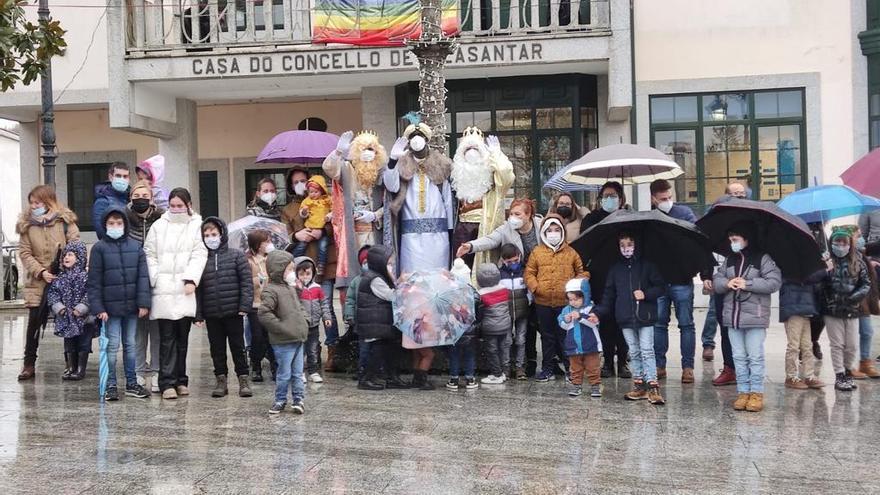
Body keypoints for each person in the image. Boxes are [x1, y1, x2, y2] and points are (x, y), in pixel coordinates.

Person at [458, 198, 541, 376]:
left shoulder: (541, 225)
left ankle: (532, 360)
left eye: (517, 214)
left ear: (529, 215)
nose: (513, 217)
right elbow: (490, 240)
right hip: (515, 282)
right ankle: (516, 365)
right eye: (511, 213)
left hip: (538, 280)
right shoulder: (507, 229)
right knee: (516, 327)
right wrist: (470, 246)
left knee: (533, 323)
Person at [144, 188, 208, 400]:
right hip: (163, 289)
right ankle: (167, 382)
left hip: (185, 289)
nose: (176, 209)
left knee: (183, 339)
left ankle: (181, 379)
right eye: (172, 205)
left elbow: (200, 253)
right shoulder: (158, 226)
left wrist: (191, 279)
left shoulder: (197, 226)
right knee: (166, 338)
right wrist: (156, 278)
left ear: (188, 205)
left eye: (180, 205)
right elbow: (149, 253)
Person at [589, 233, 666, 405]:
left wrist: (646, 294)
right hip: (625, 316)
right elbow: (608, 294)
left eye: (630, 244)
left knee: (647, 350)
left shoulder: (647, 266)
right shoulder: (615, 269)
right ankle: (639, 385)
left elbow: (660, 287)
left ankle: (653, 385)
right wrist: (598, 312)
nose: (626, 248)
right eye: (622, 245)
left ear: (636, 244)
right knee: (635, 351)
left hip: (644, 315)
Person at [714, 223, 782, 412]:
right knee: (738, 356)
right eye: (730, 240)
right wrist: (728, 283)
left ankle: (756, 393)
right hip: (733, 316)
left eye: (735, 240)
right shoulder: (729, 260)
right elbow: (717, 280)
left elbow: (773, 282)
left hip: (755, 316)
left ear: (746, 238)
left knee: (755, 356)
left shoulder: (763, 258)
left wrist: (748, 283)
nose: (732, 243)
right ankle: (743, 392)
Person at [87, 207, 152, 401]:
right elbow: (94, 282)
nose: (115, 227)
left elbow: (143, 277)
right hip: (110, 310)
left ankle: (132, 383)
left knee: (131, 344)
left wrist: (143, 303)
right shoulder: (99, 248)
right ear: (105, 225)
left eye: (119, 223)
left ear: (125, 225)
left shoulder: (135, 247)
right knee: (112, 346)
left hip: (131, 307)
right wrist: (98, 308)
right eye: (111, 223)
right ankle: (111, 384)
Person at [16, 185, 80, 381]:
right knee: (34, 322)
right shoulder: (27, 226)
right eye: (32, 202)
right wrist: (41, 271)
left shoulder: (66, 222)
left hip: (63, 278)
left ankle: (71, 361)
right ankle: (29, 363)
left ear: (49, 202)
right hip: (38, 280)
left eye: (38, 202)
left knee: (67, 318)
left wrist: (63, 267)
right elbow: (25, 253)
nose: (34, 206)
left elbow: (75, 247)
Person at [524, 214, 589, 382]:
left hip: (564, 303)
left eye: (557, 230)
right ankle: (547, 368)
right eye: (550, 230)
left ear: (562, 232)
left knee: (565, 336)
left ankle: (570, 368)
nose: (553, 233)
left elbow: (580, 270)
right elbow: (529, 272)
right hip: (543, 302)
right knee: (547, 336)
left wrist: (580, 281)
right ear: (544, 232)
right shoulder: (537, 252)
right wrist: (536, 287)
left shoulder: (571, 252)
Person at [648, 179, 702, 383]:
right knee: (659, 324)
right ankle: (659, 365)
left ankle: (688, 367)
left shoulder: (685, 214)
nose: (667, 202)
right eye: (663, 199)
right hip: (659, 281)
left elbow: (696, 242)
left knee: (686, 324)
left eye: (670, 198)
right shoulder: (650, 218)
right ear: (653, 199)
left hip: (681, 278)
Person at [195, 217, 254, 398]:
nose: (210, 238)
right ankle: (221, 380)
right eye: (206, 235)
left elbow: (246, 283)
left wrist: (245, 305)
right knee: (217, 348)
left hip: (233, 311)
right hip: (212, 312)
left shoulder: (236, 255)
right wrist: (198, 314)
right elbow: (198, 289)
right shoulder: (200, 259)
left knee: (238, 347)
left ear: (221, 234)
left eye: (213, 234)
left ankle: (243, 379)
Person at [384, 122, 454, 275]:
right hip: (411, 234)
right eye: (413, 137)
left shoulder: (441, 164)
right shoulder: (402, 163)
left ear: (426, 139)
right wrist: (392, 161)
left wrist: (450, 229)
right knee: (412, 276)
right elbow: (391, 186)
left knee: (438, 274)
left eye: (420, 136)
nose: (417, 139)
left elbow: (448, 199)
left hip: (438, 234)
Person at [323, 130, 386, 291]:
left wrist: (375, 215)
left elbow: (392, 201)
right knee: (356, 275)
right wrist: (338, 152)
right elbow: (329, 168)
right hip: (354, 234)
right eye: (363, 149)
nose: (367, 153)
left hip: (375, 232)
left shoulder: (382, 173)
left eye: (371, 149)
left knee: (378, 274)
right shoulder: (347, 169)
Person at [580, 181, 630, 378]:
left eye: (614, 196)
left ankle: (623, 361)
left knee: (623, 319)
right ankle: (608, 362)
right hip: (601, 276)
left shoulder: (628, 217)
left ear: (621, 198)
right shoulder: (592, 218)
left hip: (624, 275)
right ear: (600, 199)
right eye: (606, 196)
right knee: (606, 319)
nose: (610, 199)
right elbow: (586, 243)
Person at [449, 127, 514, 269]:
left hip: (486, 228)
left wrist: (497, 154)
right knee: (461, 268)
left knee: (485, 269)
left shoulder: (493, 180)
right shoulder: (455, 178)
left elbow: (507, 175)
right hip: (462, 230)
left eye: (476, 150)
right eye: (467, 150)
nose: (471, 154)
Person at [258, 250, 310, 414]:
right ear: (279, 270)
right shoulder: (271, 290)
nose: (292, 273)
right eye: (289, 269)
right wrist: (280, 328)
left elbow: (299, 307)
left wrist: (305, 320)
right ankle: (280, 399)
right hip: (283, 341)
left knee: (297, 373)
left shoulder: (291, 288)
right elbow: (264, 313)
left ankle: (298, 399)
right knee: (284, 374)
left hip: (298, 338)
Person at [707, 182, 747, 385]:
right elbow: (706, 249)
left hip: (747, 285)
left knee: (747, 328)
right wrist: (707, 275)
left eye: (742, 194)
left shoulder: (752, 221)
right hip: (723, 284)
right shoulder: (717, 222)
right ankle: (730, 367)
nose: (739, 197)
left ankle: (747, 368)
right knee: (725, 327)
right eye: (734, 194)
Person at [127, 180, 165, 393]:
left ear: (151, 198)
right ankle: (140, 371)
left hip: (157, 279)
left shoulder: (161, 219)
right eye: (136, 195)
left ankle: (158, 371)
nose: (140, 199)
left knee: (157, 331)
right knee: (138, 332)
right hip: (133, 279)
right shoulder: (124, 218)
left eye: (145, 195)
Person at [822, 227, 871, 391]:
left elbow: (866, 284)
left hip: (852, 308)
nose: (841, 245)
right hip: (832, 309)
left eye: (844, 242)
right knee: (837, 344)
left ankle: (848, 370)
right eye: (837, 242)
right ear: (832, 243)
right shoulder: (826, 261)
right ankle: (840, 375)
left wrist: (854, 297)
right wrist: (825, 271)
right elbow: (818, 285)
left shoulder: (858, 261)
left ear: (849, 244)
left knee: (852, 345)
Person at [356, 245, 409, 391]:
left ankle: (391, 377)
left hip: (381, 323)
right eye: (389, 264)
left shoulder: (378, 276)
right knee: (377, 351)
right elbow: (392, 296)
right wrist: (402, 283)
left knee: (390, 349)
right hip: (374, 324)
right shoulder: (374, 279)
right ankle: (367, 379)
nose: (391, 267)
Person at [47, 240, 92, 381]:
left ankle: (80, 369)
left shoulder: (85, 277)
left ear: (79, 257)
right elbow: (53, 293)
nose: (66, 257)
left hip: (82, 318)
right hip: (66, 317)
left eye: (71, 254)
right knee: (69, 342)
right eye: (65, 255)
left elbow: (90, 293)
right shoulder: (60, 278)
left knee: (83, 342)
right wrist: (59, 308)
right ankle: (71, 367)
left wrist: (81, 308)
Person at [779, 267, 827, 389]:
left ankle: (809, 375)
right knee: (793, 346)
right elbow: (807, 277)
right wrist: (825, 269)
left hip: (806, 308)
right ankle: (791, 376)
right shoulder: (788, 263)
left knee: (807, 345)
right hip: (793, 308)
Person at [292, 256, 333, 383]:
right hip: (300, 325)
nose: (305, 276)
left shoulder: (317, 288)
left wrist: (326, 317)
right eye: (301, 274)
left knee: (313, 349)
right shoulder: (295, 289)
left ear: (313, 273)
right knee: (300, 350)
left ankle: (313, 371)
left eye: (308, 273)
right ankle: (300, 372)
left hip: (314, 325)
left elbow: (324, 303)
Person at [559, 278, 601, 398]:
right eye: (570, 299)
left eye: (576, 299)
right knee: (575, 367)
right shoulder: (566, 310)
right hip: (573, 345)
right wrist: (565, 320)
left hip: (591, 344)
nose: (573, 302)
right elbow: (563, 326)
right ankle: (576, 385)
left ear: (585, 296)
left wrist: (581, 317)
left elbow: (594, 323)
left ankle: (595, 386)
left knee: (593, 366)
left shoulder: (591, 308)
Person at [246, 230, 277, 382]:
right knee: (257, 337)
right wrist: (256, 280)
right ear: (257, 244)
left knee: (271, 336)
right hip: (255, 305)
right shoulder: (249, 261)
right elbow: (245, 281)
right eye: (266, 242)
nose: (268, 244)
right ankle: (256, 364)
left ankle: (274, 365)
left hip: (270, 304)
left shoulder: (271, 259)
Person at [499, 243, 531, 380]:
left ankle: (520, 367)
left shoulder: (525, 272)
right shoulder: (500, 274)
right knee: (506, 341)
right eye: (509, 262)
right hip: (506, 312)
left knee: (521, 340)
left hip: (522, 312)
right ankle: (505, 367)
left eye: (515, 260)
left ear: (519, 257)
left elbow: (530, 291)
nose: (513, 264)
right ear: (503, 260)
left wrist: (529, 301)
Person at [476, 263, 512, 385]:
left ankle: (496, 374)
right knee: (503, 349)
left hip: (490, 328)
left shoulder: (481, 295)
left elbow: (479, 313)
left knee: (492, 351)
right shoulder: (504, 289)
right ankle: (503, 372)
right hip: (505, 325)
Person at [852, 225, 880, 378]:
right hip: (849, 302)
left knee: (867, 331)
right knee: (849, 337)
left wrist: (870, 262)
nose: (862, 239)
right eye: (858, 236)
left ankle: (865, 362)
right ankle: (848, 366)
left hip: (863, 301)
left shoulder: (863, 255)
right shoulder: (843, 255)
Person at [291, 176, 332, 275]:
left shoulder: (327, 200)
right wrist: (304, 212)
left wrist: (324, 229)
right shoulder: (307, 201)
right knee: (302, 245)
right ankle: (292, 262)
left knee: (323, 246)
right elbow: (303, 214)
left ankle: (321, 266)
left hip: (322, 226)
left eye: (302, 181)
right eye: (296, 182)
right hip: (310, 227)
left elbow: (336, 212)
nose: (313, 194)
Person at [343, 245, 372, 381]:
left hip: (375, 321)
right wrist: (349, 315)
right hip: (361, 321)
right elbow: (350, 299)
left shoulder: (379, 279)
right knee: (364, 348)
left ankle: (374, 370)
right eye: (364, 262)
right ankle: (362, 370)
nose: (367, 265)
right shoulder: (356, 281)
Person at [93, 162, 131, 240]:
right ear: (110, 177)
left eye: (125, 176)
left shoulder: (131, 198)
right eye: (118, 176)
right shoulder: (102, 201)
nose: (122, 179)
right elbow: (101, 232)